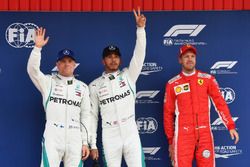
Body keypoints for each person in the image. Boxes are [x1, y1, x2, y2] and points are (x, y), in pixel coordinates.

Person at [163, 44, 239, 167]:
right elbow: (168, 113)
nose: (190, 59)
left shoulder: (207, 79)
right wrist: (171, 141)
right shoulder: (172, 84)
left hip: (204, 134)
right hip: (183, 136)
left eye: (192, 56)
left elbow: (220, 103)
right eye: (186, 56)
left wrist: (230, 125)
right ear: (180, 60)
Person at [88, 8, 146, 167]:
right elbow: (92, 116)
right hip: (109, 135)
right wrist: (92, 144)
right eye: (109, 57)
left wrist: (140, 30)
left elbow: (139, 55)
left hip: (130, 132)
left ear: (120, 60)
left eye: (116, 57)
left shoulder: (129, 75)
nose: (113, 60)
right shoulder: (94, 85)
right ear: (103, 61)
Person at [27, 27, 91, 167]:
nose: (66, 64)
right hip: (53, 135)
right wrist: (37, 48)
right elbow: (32, 70)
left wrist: (85, 142)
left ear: (75, 64)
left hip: (75, 137)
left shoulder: (83, 87)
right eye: (63, 61)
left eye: (69, 61)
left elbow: (86, 116)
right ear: (57, 64)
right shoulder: (48, 82)